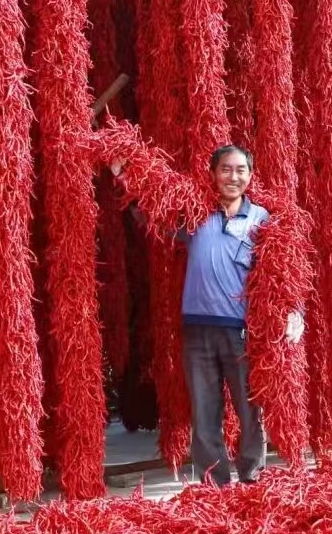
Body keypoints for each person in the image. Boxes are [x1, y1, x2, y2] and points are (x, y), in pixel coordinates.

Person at [115, 144, 304, 487]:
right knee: (205, 410)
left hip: (243, 332)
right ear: (214, 175)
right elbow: (152, 217)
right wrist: (126, 178)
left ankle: (252, 476)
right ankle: (214, 482)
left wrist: (295, 312)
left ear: (250, 176)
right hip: (198, 330)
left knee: (250, 409)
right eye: (226, 169)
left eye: (240, 170)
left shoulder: (263, 220)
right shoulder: (196, 215)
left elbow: (284, 275)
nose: (233, 177)